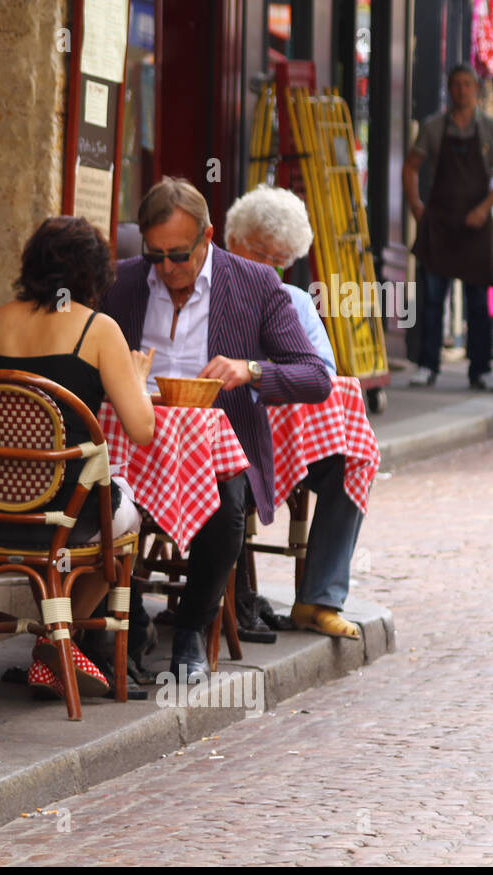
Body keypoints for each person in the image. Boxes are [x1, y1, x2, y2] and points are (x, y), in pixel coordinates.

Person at [101, 177, 332, 682]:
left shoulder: (255, 283)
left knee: (225, 505)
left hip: (220, 447)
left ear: (207, 237)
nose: (166, 269)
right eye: (155, 255)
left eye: (179, 255)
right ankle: (132, 619)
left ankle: (190, 630)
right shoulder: (123, 281)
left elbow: (315, 378)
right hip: (131, 439)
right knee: (95, 501)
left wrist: (250, 370)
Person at [0, 216, 156, 696]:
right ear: (97, 274)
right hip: (67, 515)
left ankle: (56, 646)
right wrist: (138, 380)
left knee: (110, 509)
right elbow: (142, 429)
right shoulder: (99, 331)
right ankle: (57, 641)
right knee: (128, 519)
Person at [224, 185, 366, 639]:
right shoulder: (214, 295)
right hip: (231, 440)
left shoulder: (296, 301)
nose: (271, 269)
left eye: (281, 260)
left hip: (289, 439)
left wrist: (265, 374)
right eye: (262, 254)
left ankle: (318, 599)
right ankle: (224, 598)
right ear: (232, 241)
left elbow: (324, 372)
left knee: (349, 463)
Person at [402, 63, 493, 391]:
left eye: (467, 84)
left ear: (476, 89)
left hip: (476, 225)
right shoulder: (434, 128)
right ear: (449, 89)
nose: (462, 90)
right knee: (433, 299)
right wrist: (415, 206)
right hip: (441, 223)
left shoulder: (492, 129)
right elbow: (410, 167)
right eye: (456, 85)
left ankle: (482, 369)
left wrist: (483, 209)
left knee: (478, 302)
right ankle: (427, 365)